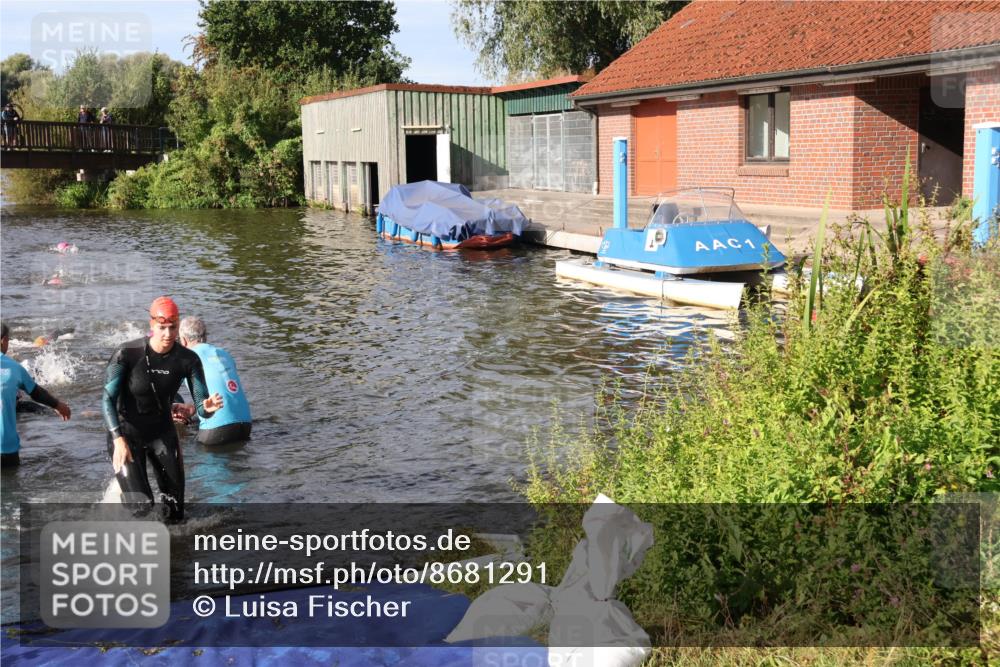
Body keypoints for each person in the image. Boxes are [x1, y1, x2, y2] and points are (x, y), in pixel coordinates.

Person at [102, 297, 223, 521]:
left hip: (162, 433)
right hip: (127, 435)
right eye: (162, 328)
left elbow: (201, 407)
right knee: (142, 507)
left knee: (176, 511)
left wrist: (207, 409)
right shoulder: (127, 354)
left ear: (178, 326)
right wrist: (118, 439)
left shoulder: (188, 359)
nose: (168, 334)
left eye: (173, 328)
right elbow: (107, 400)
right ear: (151, 326)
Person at [1, 321, 72, 468]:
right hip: (7, 450)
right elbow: (36, 392)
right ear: (4, 340)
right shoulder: (15, 368)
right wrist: (58, 405)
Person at [173, 316, 252, 446]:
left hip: (216, 430)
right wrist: (193, 408)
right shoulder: (224, 354)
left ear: (183, 340)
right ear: (205, 337)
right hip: (245, 426)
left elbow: (162, 388)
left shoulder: (185, 358)